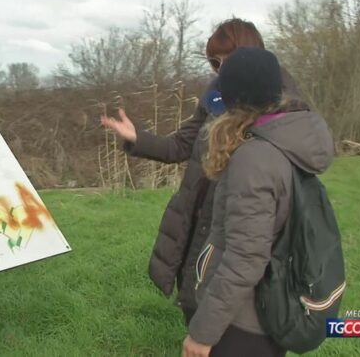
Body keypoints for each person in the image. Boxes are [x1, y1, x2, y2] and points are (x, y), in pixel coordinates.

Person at [100, 18, 303, 324]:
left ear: (253, 55)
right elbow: (179, 146)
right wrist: (136, 138)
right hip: (199, 221)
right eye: (215, 62)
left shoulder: (284, 107)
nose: (221, 70)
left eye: (228, 60)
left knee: (233, 314)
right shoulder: (215, 98)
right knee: (195, 304)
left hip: (240, 228)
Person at [181, 47, 334, 357]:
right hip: (268, 312)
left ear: (234, 99)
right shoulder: (288, 140)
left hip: (242, 325)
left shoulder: (255, 159)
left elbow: (245, 258)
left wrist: (202, 333)